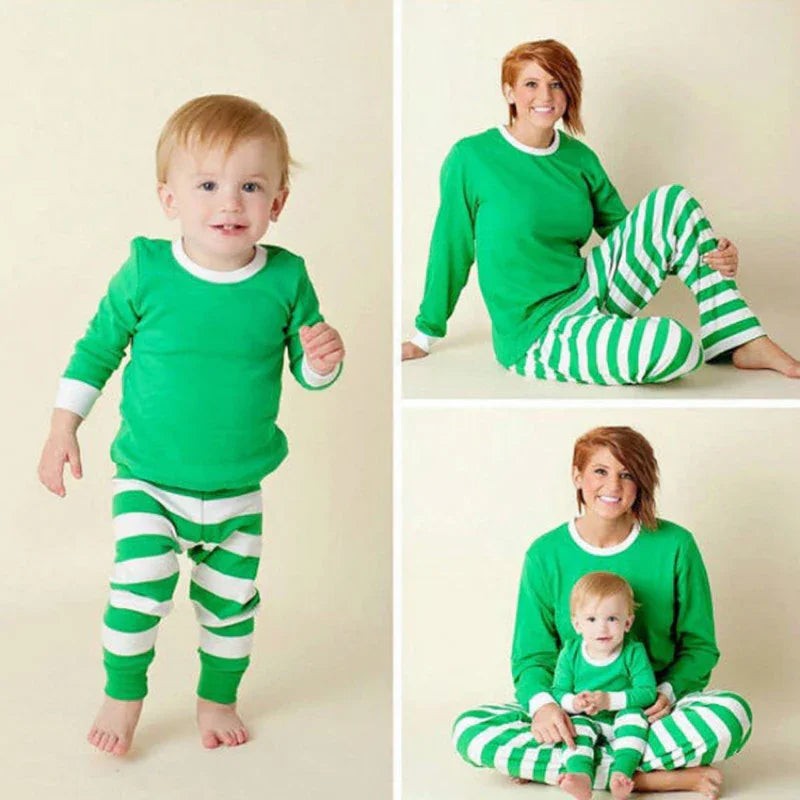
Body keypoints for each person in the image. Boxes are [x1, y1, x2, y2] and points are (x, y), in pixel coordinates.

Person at [37, 95, 345, 755]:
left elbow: (308, 371)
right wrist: (64, 426)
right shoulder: (149, 269)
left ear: (278, 203)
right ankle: (124, 695)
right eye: (207, 185)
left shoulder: (287, 277)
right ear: (169, 197)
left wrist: (324, 360)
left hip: (238, 490)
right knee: (138, 587)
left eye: (251, 186)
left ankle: (217, 699)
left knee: (232, 611)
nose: (229, 203)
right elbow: (97, 349)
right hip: (149, 478)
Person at [403, 39, 800, 383]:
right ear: (509, 92)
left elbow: (633, 233)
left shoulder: (579, 158)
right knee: (675, 345)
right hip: (537, 333)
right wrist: (426, 334)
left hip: (590, 289)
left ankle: (742, 340)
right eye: (531, 84)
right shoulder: (473, 158)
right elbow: (450, 246)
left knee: (672, 201)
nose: (545, 96)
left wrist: (709, 254)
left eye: (556, 84)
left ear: (568, 92)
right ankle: (606, 338)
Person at [452, 426, 751, 799]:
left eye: (627, 474)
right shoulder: (545, 554)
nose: (613, 485)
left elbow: (700, 646)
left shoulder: (677, 546)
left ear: (641, 482)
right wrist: (545, 708)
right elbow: (532, 655)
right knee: (470, 730)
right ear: (577, 477)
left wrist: (668, 693)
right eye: (600, 471)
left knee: (730, 715)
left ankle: (571, 768)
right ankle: (650, 777)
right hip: (573, 714)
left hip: (651, 711)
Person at [553, 572, 655, 800]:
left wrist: (609, 700)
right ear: (577, 624)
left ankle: (620, 774)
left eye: (612, 619)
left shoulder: (633, 652)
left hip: (621, 720)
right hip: (587, 719)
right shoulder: (570, 653)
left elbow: (647, 692)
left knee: (634, 718)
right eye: (591, 620)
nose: (602, 628)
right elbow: (558, 692)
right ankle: (581, 777)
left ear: (627, 623)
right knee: (575, 727)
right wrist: (574, 702)